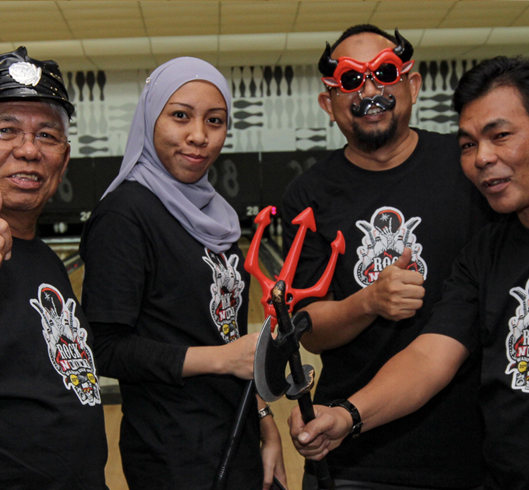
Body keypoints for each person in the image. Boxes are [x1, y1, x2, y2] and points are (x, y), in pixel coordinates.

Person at [288, 55, 529, 490]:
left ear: (412, 86)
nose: (482, 158)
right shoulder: (485, 254)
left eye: (501, 136)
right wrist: (347, 415)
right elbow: (430, 356)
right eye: (468, 144)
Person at [79, 57, 287, 490]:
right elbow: (106, 348)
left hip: (238, 434)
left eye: (215, 120)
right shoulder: (125, 215)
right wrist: (221, 360)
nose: (199, 135)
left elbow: (225, 335)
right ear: (150, 120)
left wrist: (266, 424)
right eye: (180, 116)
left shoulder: (215, 213)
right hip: (173, 454)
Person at [0, 47, 108, 488]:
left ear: (63, 162)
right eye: (6, 130)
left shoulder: (46, 259)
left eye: (47, 135)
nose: (29, 150)